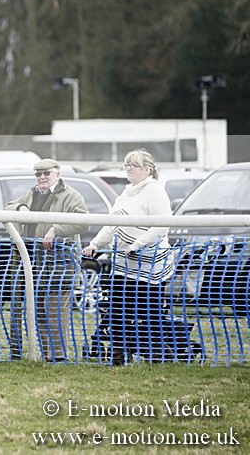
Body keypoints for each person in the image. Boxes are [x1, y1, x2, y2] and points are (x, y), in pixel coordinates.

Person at [82, 149, 175, 365]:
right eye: (126, 164)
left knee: (149, 313)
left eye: (133, 165)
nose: (128, 168)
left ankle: (161, 354)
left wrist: (137, 244)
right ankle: (119, 353)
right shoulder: (126, 193)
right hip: (123, 265)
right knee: (116, 309)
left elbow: (162, 224)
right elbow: (112, 225)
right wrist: (95, 244)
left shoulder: (155, 191)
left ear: (147, 169)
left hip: (150, 268)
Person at [5, 159, 90, 362]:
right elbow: (9, 206)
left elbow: (84, 220)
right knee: (39, 310)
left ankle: (59, 357)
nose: (41, 177)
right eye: (38, 174)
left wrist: (56, 229)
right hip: (35, 261)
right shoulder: (32, 193)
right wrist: (21, 208)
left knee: (55, 310)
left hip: (60, 262)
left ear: (57, 174)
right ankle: (48, 355)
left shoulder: (71, 195)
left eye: (46, 173)